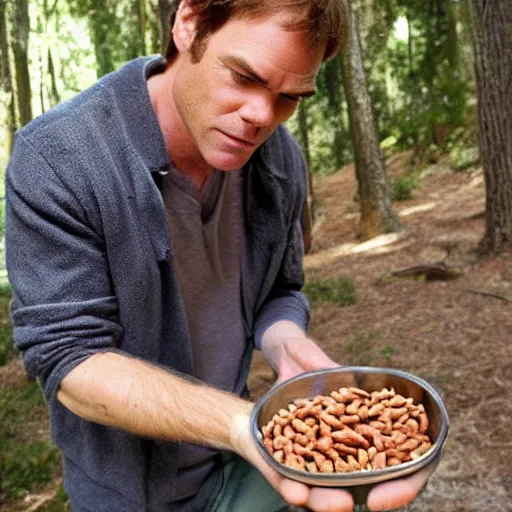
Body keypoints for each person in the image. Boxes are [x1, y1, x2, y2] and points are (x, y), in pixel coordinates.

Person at [5, 0, 437, 510]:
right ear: (188, 23)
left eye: (288, 98)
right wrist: (239, 424)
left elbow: (280, 289)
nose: (261, 117)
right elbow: (70, 359)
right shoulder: (59, 158)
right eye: (244, 77)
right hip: (127, 493)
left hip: (235, 463)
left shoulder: (278, 159)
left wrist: (285, 343)